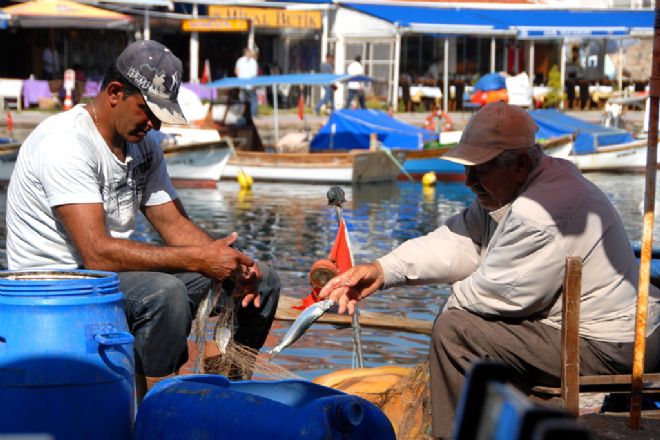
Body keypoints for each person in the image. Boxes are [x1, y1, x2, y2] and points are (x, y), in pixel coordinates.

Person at [319, 102, 660, 438]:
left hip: (613, 343)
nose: (468, 181)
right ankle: (516, 414)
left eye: (479, 170)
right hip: (605, 329)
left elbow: (490, 295)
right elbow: (457, 242)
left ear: (520, 164)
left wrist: (445, 318)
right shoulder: (518, 188)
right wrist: (382, 270)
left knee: (456, 332)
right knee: (467, 326)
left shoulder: (538, 212)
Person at [6, 40, 280, 397]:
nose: (153, 123)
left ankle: (228, 396)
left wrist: (231, 264)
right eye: (148, 110)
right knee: (164, 295)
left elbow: (173, 225)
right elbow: (97, 254)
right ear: (116, 92)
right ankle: (152, 413)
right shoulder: (65, 143)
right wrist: (200, 259)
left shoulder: (143, 145)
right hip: (55, 288)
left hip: (107, 278)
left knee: (264, 280)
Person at [235, 48, 259, 118]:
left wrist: (240, 78)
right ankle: (253, 115)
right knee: (254, 99)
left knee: (243, 100)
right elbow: (254, 75)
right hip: (250, 84)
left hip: (242, 84)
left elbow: (236, 71)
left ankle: (243, 114)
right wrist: (254, 84)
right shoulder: (253, 62)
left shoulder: (239, 60)